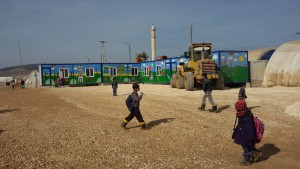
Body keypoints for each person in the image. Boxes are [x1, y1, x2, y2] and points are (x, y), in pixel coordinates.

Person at [233, 100, 261, 166]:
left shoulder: (246, 117)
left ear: (239, 108)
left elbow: (250, 128)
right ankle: (251, 154)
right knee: (248, 146)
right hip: (243, 133)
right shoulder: (244, 113)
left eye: (236, 108)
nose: (235, 109)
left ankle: (249, 159)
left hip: (246, 136)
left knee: (246, 148)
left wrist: (250, 138)